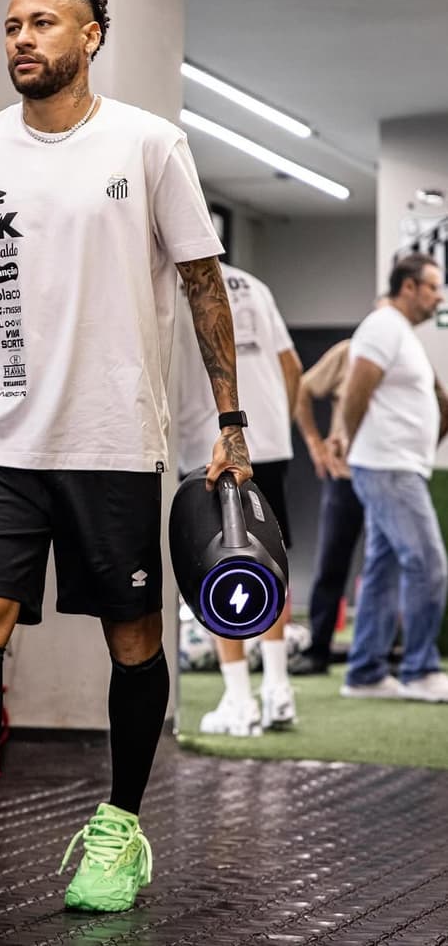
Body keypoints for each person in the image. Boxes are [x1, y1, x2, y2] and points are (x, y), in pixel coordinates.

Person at [0, 0, 252, 935]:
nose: (21, 39)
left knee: (131, 638)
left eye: (43, 22)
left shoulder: (149, 145)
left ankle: (120, 827)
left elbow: (204, 285)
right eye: (9, 25)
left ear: (90, 38)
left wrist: (230, 422)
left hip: (112, 439)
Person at [175, 261, 302, 735]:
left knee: (217, 565)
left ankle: (239, 698)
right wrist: (277, 427)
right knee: (272, 562)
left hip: (213, 442)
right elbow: (293, 368)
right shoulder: (256, 284)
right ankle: (277, 690)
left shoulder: (172, 283)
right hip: (266, 439)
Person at [340, 252, 448, 702]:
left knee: (383, 569)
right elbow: (355, 392)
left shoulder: (401, 333)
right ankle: (420, 669)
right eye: (432, 288)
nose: (439, 297)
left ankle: (365, 673)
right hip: (386, 466)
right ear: (408, 287)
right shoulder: (384, 325)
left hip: (401, 466)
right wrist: (350, 444)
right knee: (428, 564)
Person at [291, 337, 364, 674]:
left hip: (390, 476)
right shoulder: (349, 351)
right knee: (331, 562)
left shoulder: (409, 350)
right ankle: (317, 649)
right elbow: (302, 389)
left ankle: (379, 651)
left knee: (389, 567)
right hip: (344, 475)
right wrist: (316, 445)